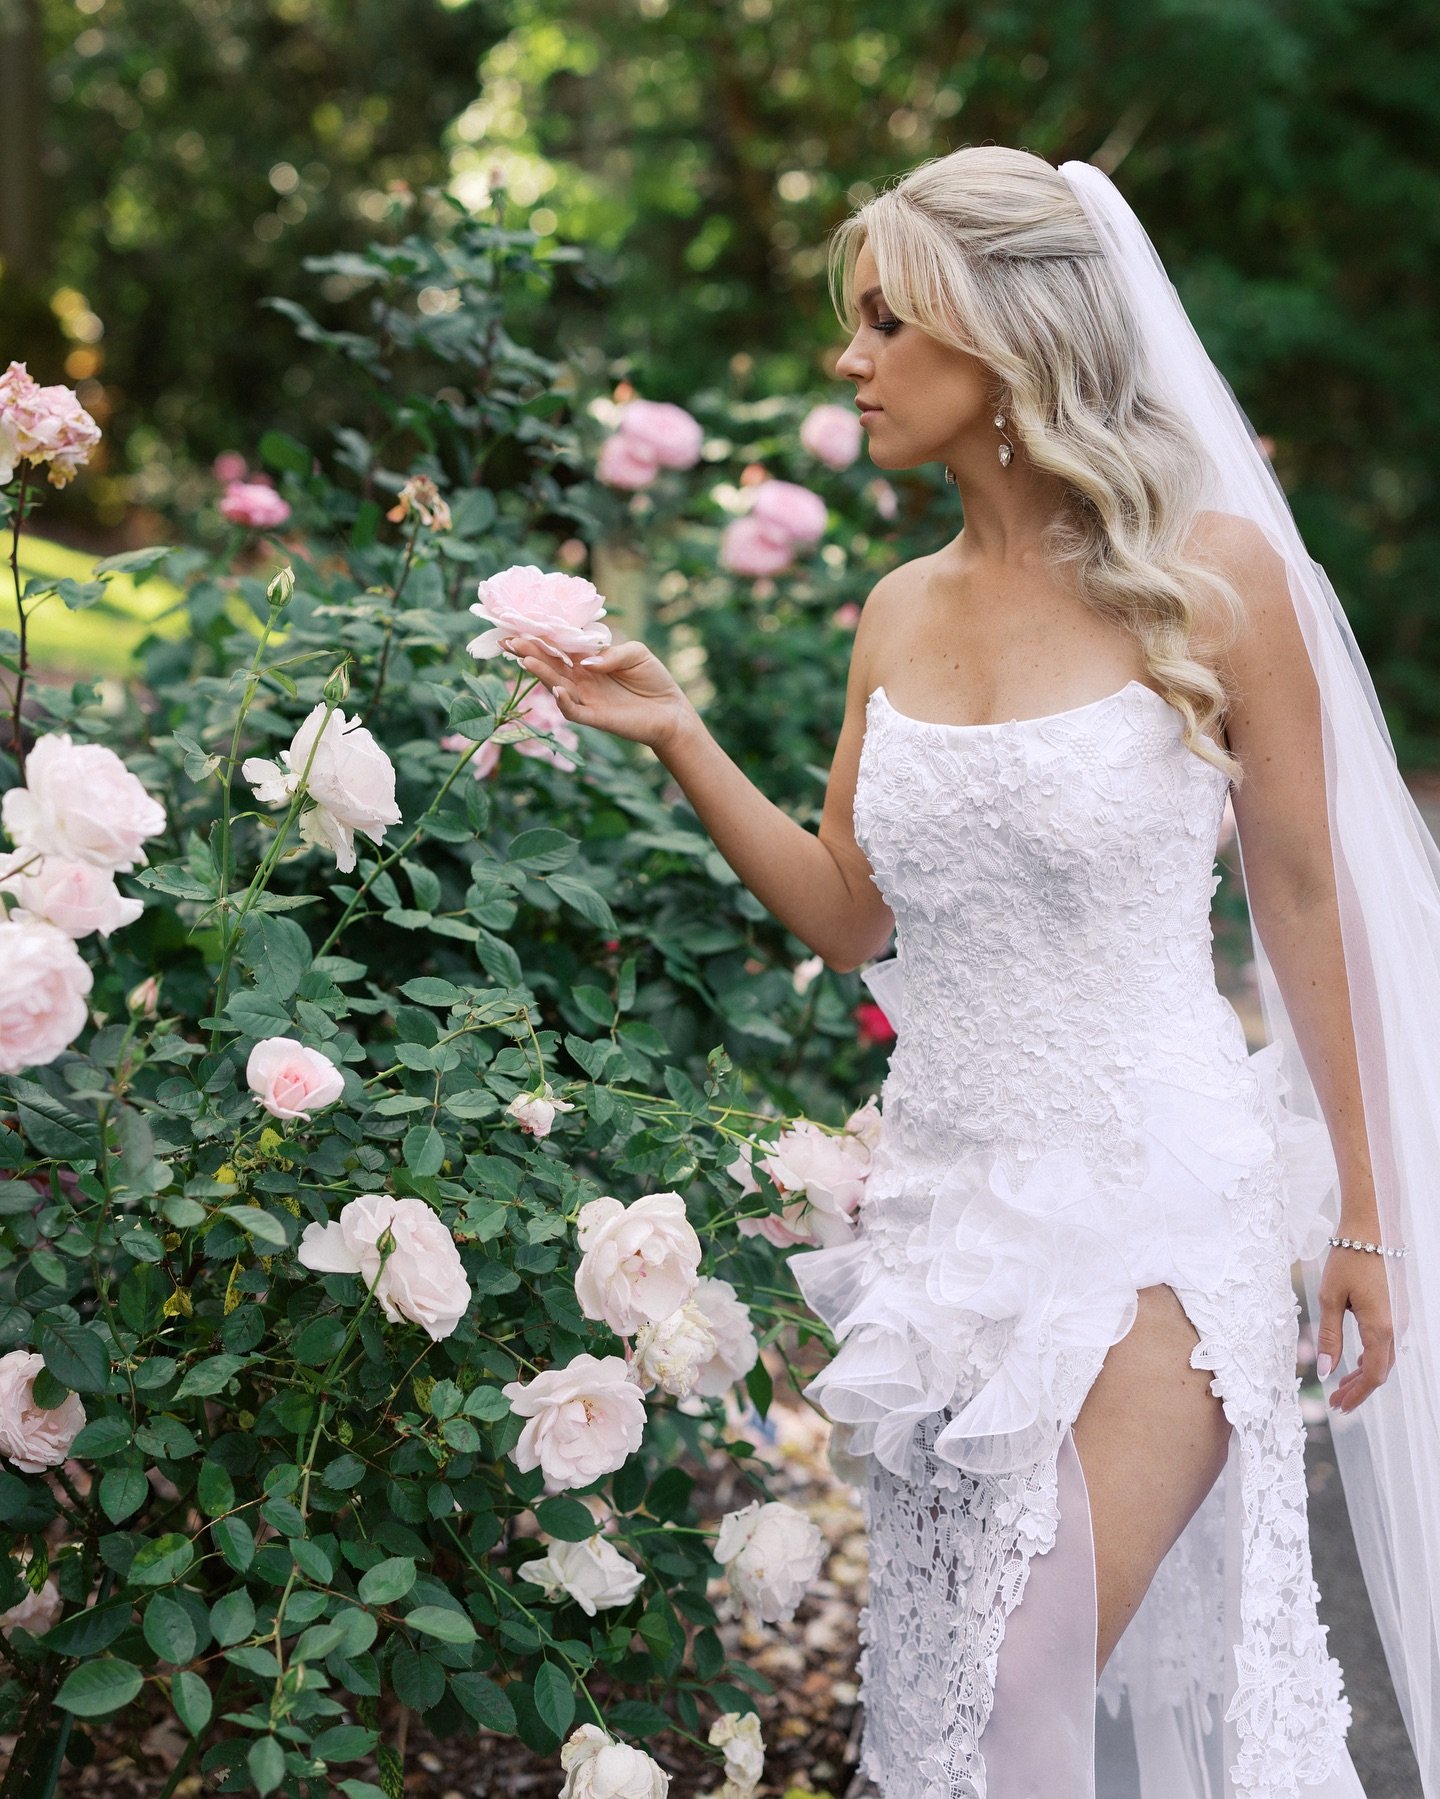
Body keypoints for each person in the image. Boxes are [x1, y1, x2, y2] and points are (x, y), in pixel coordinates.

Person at [502, 147, 1430, 1798]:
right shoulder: (898, 613)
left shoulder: (1215, 580)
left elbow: (1303, 897)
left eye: (884, 322)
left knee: (1017, 1692)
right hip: (946, 1229)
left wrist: (1365, 1213)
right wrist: (680, 734)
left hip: (1160, 1218)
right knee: (948, 1733)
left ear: (1004, 341)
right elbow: (851, 916)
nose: (847, 358)